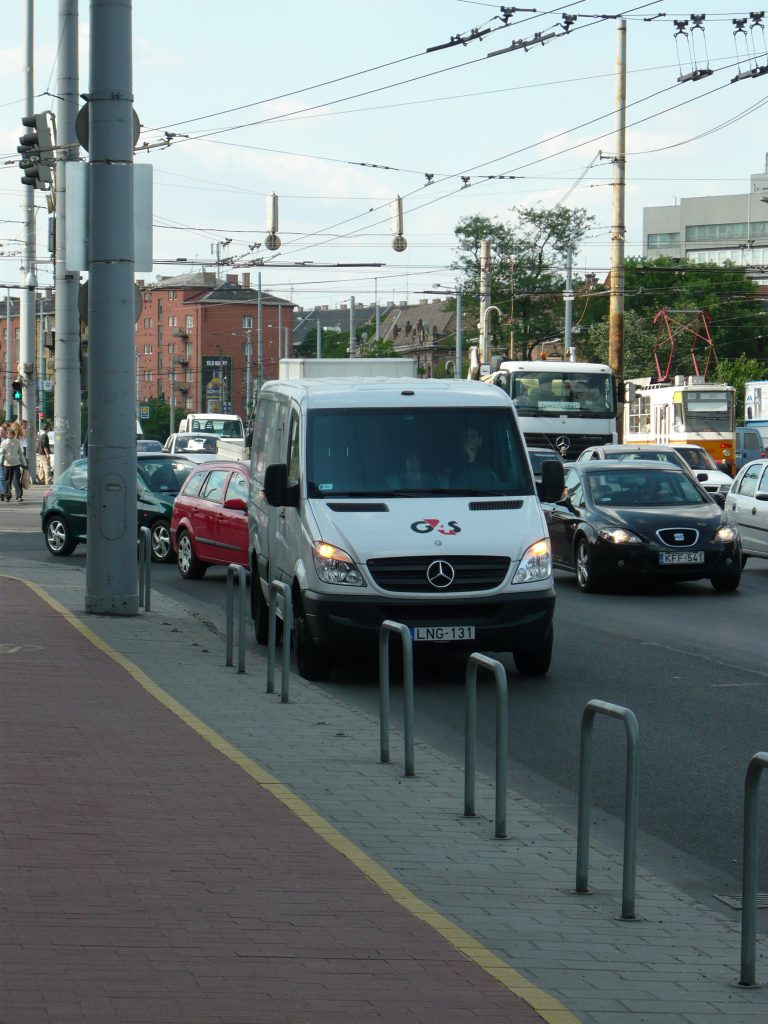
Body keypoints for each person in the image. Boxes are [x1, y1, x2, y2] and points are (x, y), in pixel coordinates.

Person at [0, 424, 27, 502]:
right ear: (7, 435)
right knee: (7, 481)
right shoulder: (4, 443)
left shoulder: (17, 442)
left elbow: (21, 454)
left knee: (16, 480)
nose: (11, 436)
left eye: (12, 435)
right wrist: (1, 463)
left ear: (14, 435)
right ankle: (7, 496)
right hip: (7, 464)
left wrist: (24, 464)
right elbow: (1, 454)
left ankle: (18, 496)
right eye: (10, 434)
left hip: (15, 464)